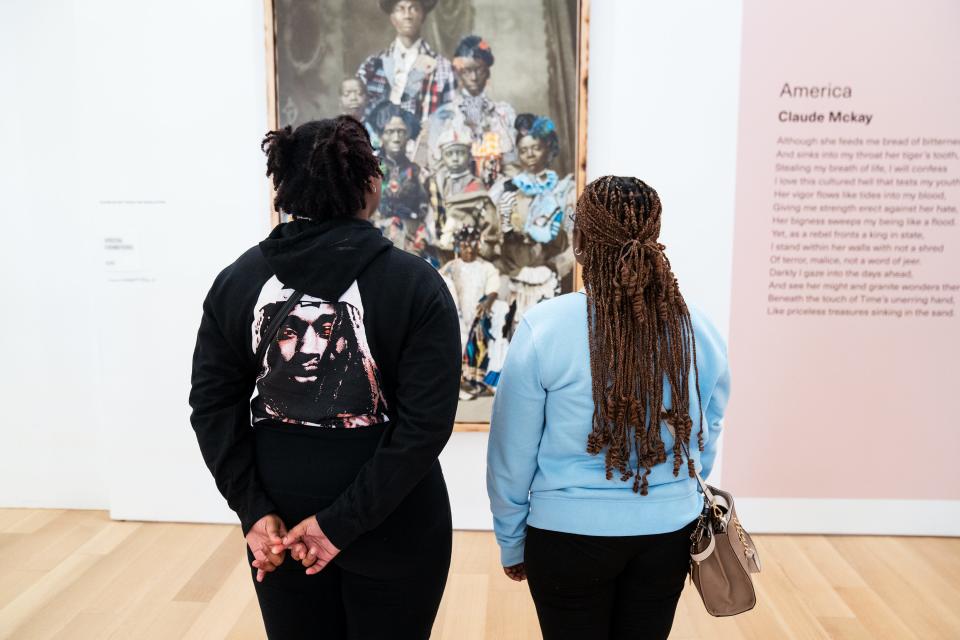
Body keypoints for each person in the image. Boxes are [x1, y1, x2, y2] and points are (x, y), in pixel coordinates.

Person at [189, 115, 461, 639]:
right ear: (372, 182)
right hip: (397, 527)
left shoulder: (238, 281)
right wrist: (337, 526)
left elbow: (212, 408)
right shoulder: (416, 285)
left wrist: (254, 509)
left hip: (281, 531)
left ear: (284, 187)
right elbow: (424, 427)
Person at [486, 176, 731, 640]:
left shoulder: (545, 327)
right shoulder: (698, 329)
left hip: (565, 539)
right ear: (654, 236)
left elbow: (510, 454)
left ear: (579, 243)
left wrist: (511, 539)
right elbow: (707, 429)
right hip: (666, 535)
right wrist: (675, 490)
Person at [496, 113, 576, 330]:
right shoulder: (507, 189)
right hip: (514, 275)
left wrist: (555, 268)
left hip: (549, 276)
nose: (530, 155)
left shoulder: (565, 190)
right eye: (523, 150)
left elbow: (573, 242)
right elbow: (496, 235)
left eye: (536, 148)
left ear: (548, 149)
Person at [425, 35, 518, 186]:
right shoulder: (443, 117)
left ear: (487, 72)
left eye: (479, 70)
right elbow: (435, 166)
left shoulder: (504, 114)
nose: (473, 77)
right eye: (467, 71)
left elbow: (512, 164)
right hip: (457, 196)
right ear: (458, 73)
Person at [357, 0, 455, 127]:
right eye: (400, 9)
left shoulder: (443, 67)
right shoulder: (372, 66)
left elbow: (450, 116)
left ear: (423, 16)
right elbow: (358, 114)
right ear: (393, 18)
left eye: (413, 8)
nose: (407, 16)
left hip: (427, 144)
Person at [439, 226, 503, 399]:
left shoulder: (485, 267)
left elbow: (493, 287)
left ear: (478, 245)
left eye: (473, 245)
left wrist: (488, 302)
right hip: (457, 313)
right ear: (459, 245)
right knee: (456, 344)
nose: (469, 249)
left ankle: (475, 382)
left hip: (477, 314)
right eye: (465, 245)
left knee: (477, 348)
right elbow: (441, 287)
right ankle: (457, 383)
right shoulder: (451, 267)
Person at [426, 125, 499, 260]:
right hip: (444, 244)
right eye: (449, 154)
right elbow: (434, 213)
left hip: (470, 245)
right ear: (442, 157)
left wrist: (488, 241)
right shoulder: (438, 184)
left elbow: (489, 217)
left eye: (460, 153)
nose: (455, 158)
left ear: (469, 155)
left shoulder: (476, 185)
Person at [369, 102, 431, 256]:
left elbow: (427, 213)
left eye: (401, 132)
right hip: (374, 239)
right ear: (381, 135)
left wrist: (419, 238)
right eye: (390, 132)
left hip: (410, 242)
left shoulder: (418, 173)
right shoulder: (368, 170)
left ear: (409, 135)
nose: (396, 138)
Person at [338, 77, 380, 151]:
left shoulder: (376, 127)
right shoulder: (333, 129)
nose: (353, 98)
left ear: (367, 98)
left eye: (359, 93)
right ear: (340, 101)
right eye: (347, 94)